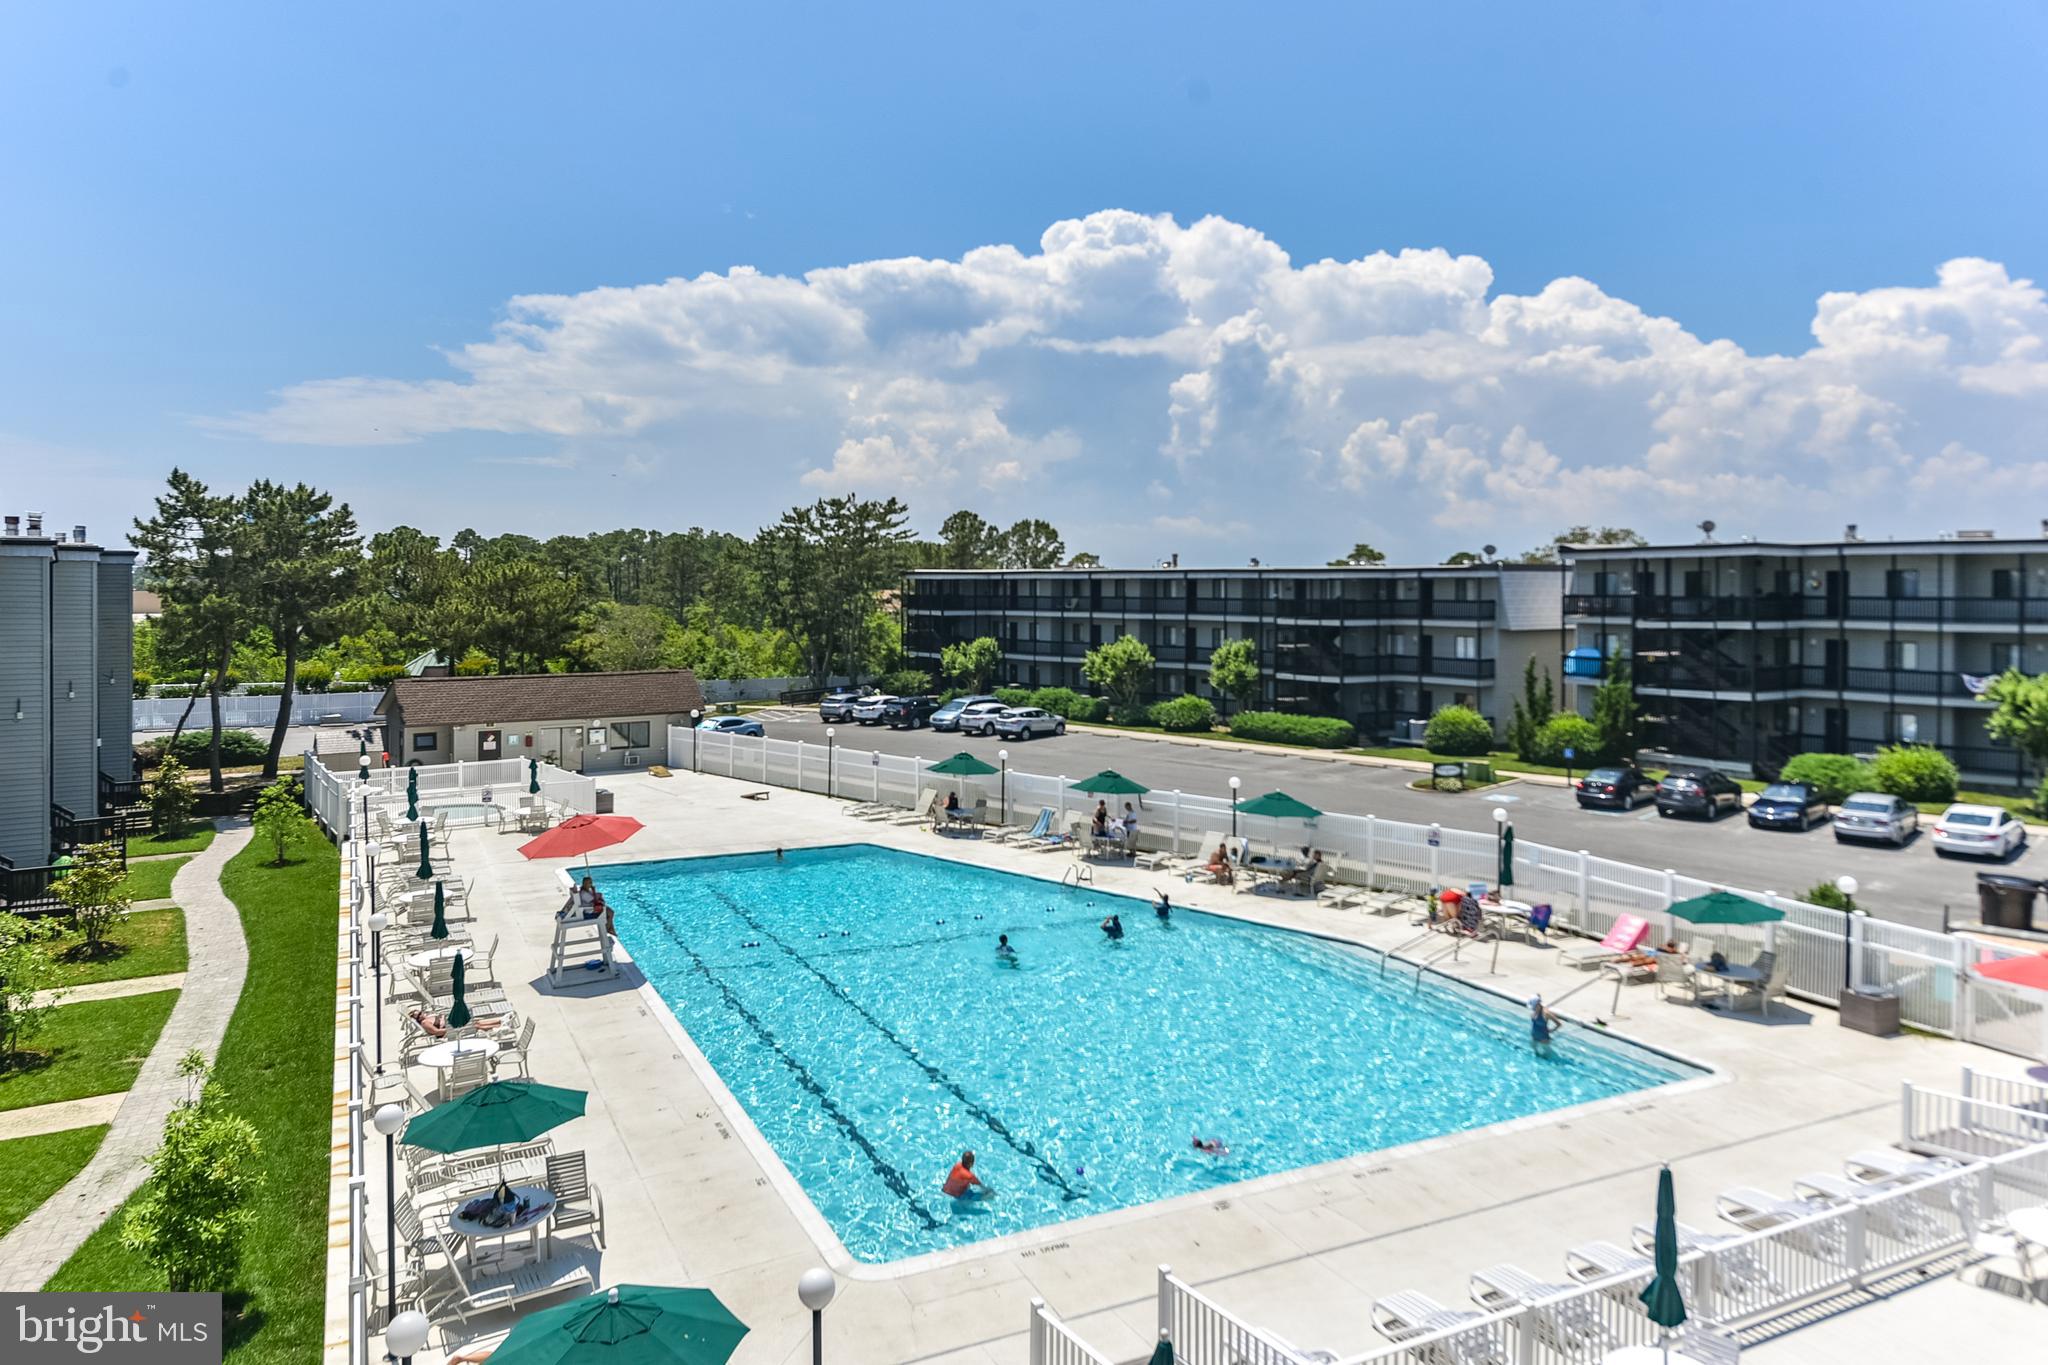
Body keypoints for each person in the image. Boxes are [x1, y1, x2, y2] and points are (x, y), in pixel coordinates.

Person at [407, 1005, 504, 1037]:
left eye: (420, 1012)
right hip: (450, 1031)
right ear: (418, 1019)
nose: (421, 1013)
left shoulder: (428, 1016)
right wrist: (453, 1029)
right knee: (475, 1027)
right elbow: (437, 1032)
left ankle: (500, 1021)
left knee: (475, 1023)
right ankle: (499, 1027)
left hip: (451, 1023)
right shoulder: (425, 1023)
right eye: (419, 1015)